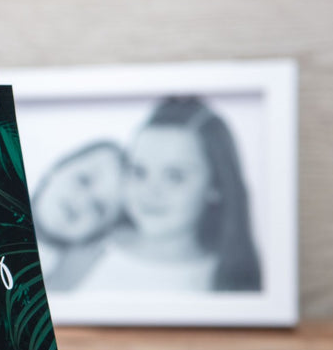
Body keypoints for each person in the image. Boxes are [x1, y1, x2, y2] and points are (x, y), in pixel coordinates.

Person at [77, 96, 262, 292]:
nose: (150, 191)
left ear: (216, 185)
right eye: (139, 172)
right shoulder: (87, 250)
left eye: (175, 176)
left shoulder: (233, 282)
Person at [30, 140, 127, 291]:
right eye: (83, 180)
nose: (82, 201)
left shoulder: (60, 285)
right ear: (56, 168)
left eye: (99, 208)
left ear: (97, 235)